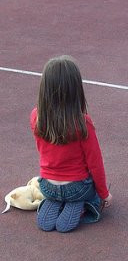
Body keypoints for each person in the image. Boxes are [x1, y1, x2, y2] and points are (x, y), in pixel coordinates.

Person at [30, 55, 112, 233]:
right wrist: (104, 193)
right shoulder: (83, 123)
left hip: (48, 186)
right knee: (95, 192)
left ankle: (55, 202)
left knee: (51, 210)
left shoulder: (36, 117)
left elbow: (42, 151)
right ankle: (84, 206)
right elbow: (95, 164)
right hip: (77, 188)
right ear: (76, 90)